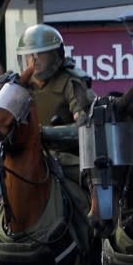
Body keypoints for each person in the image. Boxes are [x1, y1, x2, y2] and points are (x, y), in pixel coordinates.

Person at [15, 23, 96, 184]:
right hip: (28, 156)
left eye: (40, 53)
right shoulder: (20, 85)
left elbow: (85, 126)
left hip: (64, 156)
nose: (34, 59)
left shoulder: (71, 82)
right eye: (29, 54)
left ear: (55, 54)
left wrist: (44, 133)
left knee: (90, 186)